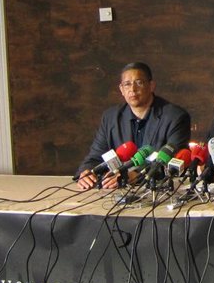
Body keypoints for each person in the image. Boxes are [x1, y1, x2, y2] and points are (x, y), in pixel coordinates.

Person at [76, 61, 191, 190]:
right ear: (121, 89)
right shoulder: (111, 118)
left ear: (151, 85)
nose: (132, 89)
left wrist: (136, 176)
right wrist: (86, 173)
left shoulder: (175, 117)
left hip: (158, 191)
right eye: (127, 84)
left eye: (139, 83)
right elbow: (96, 156)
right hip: (115, 192)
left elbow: (175, 162)